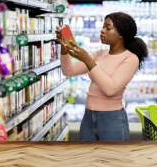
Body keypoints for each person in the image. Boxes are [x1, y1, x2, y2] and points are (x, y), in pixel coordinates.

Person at [57, 12, 148, 141]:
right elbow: (68, 70)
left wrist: (88, 60)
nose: (102, 31)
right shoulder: (100, 54)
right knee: (87, 159)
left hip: (112, 119)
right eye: (103, 27)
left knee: (112, 160)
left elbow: (110, 89)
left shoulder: (130, 59)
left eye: (108, 28)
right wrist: (64, 48)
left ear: (121, 34)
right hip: (88, 116)